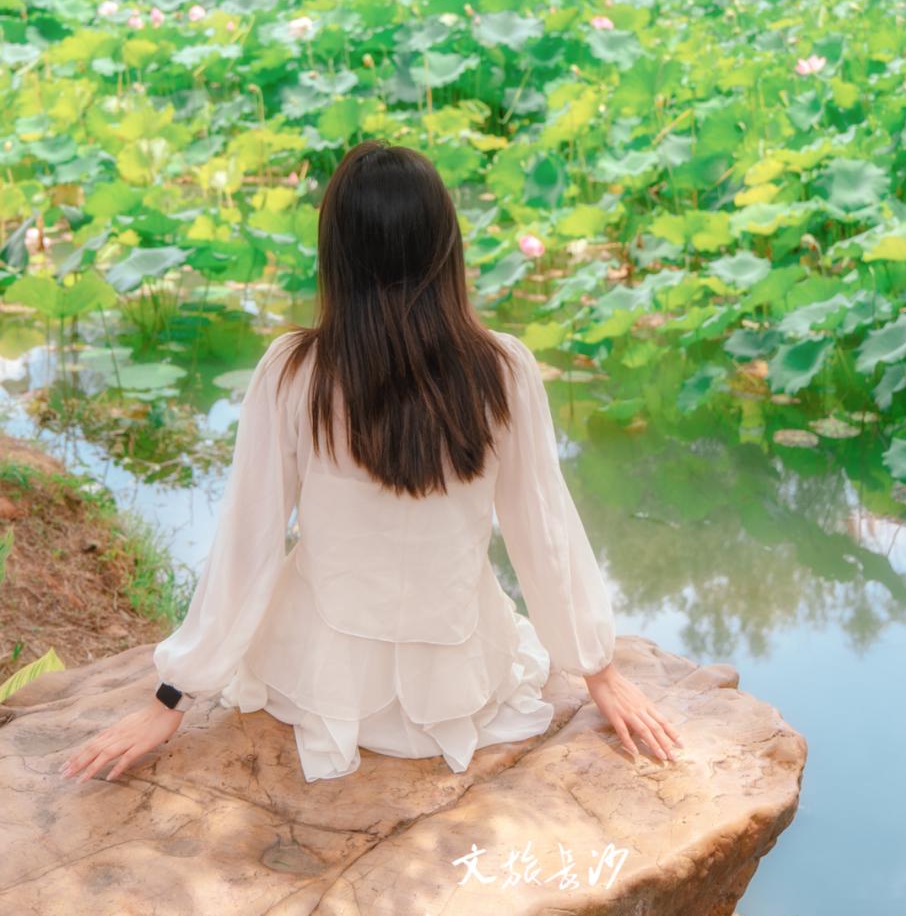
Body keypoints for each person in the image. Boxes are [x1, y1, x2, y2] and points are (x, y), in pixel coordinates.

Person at [60, 140, 682, 785]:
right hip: (462, 684)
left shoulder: (292, 372)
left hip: (319, 683)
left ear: (337, 253)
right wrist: (597, 671)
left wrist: (173, 698)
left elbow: (249, 541)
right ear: (445, 244)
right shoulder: (503, 370)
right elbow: (544, 533)